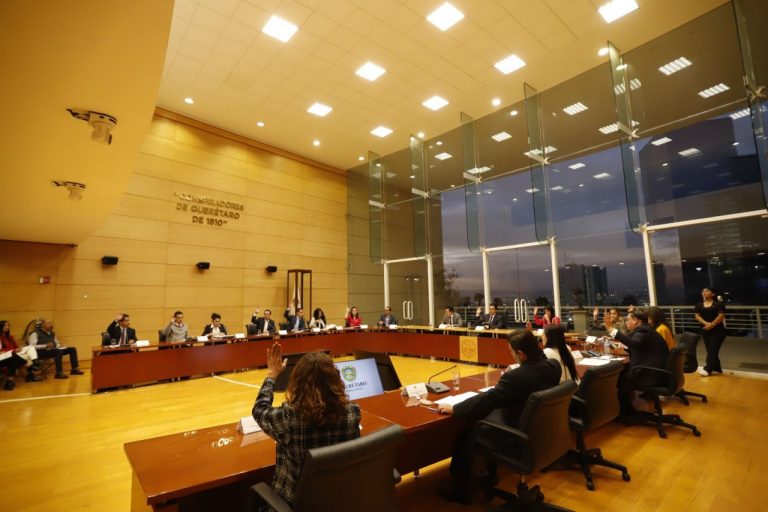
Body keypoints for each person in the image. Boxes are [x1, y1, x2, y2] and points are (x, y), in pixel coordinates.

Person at [436, 330, 561, 504]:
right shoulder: (553, 366)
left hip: (518, 436)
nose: (511, 355)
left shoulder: (516, 377)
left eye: (511, 352)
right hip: (543, 430)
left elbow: (488, 400)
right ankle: (490, 475)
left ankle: (462, 492)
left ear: (520, 354)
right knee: (490, 420)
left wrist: (456, 408)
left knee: (466, 435)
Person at [252, 342, 361, 508]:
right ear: (335, 379)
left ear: (298, 382)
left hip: (296, 503)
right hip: (336, 500)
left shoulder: (289, 417)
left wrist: (272, 376)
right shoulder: (352, 413)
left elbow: (259, 409)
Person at [605, 308, 669, 417]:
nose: (626, 323)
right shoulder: (647, 330)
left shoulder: (643, 332)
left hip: (651, 375)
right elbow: (639, 346)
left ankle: (626, 414)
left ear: (635, 320)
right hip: (658, 371)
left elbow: (633, 343)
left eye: (628, 320)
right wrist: (626, 349)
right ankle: (626, 409)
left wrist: (611, 329)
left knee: (619, 378)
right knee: (623, 373)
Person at [694, 287, 727, 376]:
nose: (704, 292)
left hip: (718, 330)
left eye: (707, 291)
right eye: (703, 291)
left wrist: (712, 324)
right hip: (705, 330)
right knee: (710, 350)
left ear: (713, 294)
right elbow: (697, 316)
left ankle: (708, 369)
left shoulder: (718, 304)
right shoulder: (699, 304)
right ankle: (717, 368)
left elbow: (721, 316)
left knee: (713, 349)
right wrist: (706, 323)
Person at [1, 320, 41, 388]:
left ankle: (35, 362)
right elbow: (2, 351)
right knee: (19, 357)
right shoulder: (1, 338)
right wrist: (14, 351)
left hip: (16, 353)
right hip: (10, 355)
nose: (7, 327)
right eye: (5, 325)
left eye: (8, 325)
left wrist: (20, 348)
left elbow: (16, 346)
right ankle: (30, 374)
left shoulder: (10, 337)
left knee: (31, 347)